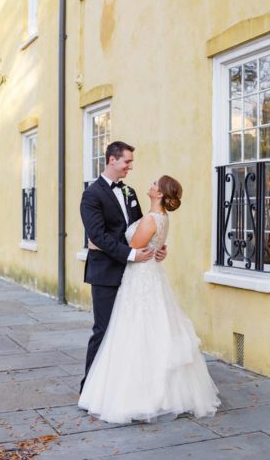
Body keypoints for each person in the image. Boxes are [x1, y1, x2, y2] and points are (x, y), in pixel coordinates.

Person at [78, 175, 221, 423]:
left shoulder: (150, 218)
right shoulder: (161, 217)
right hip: (149, 275)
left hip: (139, 277)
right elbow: (148, 243)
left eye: (155, 184)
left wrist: (100, 243)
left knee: (134, 332)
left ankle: (136, 394)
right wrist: (157, 248)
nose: (151, 184)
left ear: (160, 195)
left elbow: (132, 244)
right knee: (153, 329)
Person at [79, 141, 166, 394]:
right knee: (104, 331)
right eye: (127, 161)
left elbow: (139, 226)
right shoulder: (92, 195)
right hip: (106, 272)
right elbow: (97, 235)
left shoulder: (129, 192)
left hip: (134, 274)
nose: (130, 166)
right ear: (112, 160)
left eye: (131, 162)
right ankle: (89, 390)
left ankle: (122, 390)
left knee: (128, 331)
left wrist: (156, 246)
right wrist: (131, 254)